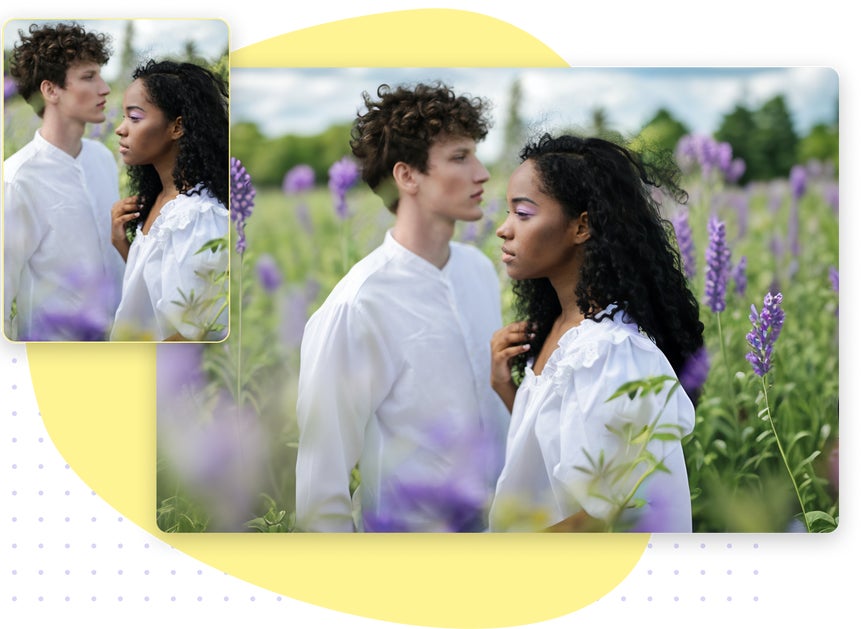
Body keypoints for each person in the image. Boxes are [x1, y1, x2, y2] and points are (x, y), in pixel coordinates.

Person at [295, 82, 510, 532]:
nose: (482, 173)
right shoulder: (356, 305)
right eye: (460, 157)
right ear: (407, 176)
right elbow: (321, 490)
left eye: (476, 154)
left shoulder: (479, 271)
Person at [488, 134, 704, 533]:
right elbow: (554, 458)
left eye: (523, 213)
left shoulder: (613, 353)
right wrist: (508, 391)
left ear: (582, 226)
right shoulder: (561, 329)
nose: (503, 229)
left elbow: (616, 517)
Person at [3, 22, 124, 341]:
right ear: (50, 90)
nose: (104, 88)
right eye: (89, 77)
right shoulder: (17, 179)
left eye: (100, 74)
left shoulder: (103, 158)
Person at [109, 59, 229, 341]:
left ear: (177, 128)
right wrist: (121, 244)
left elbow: (191, 334)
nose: (120, 129)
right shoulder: (162, 200)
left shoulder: (197, 217)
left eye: (135, 118)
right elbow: (155, 292)